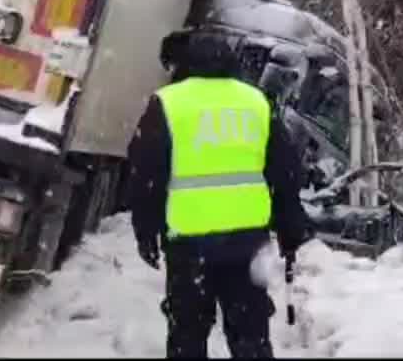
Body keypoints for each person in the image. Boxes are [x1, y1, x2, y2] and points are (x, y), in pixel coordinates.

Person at [126, 32, 312, 359]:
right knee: (250, 336)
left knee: (187, 335)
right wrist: (289, 226)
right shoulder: (255, 102)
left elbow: (145, 172)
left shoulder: (169, 102)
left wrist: (146, 229)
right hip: (246, 244)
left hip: (189, 244)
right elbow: (286, 171)